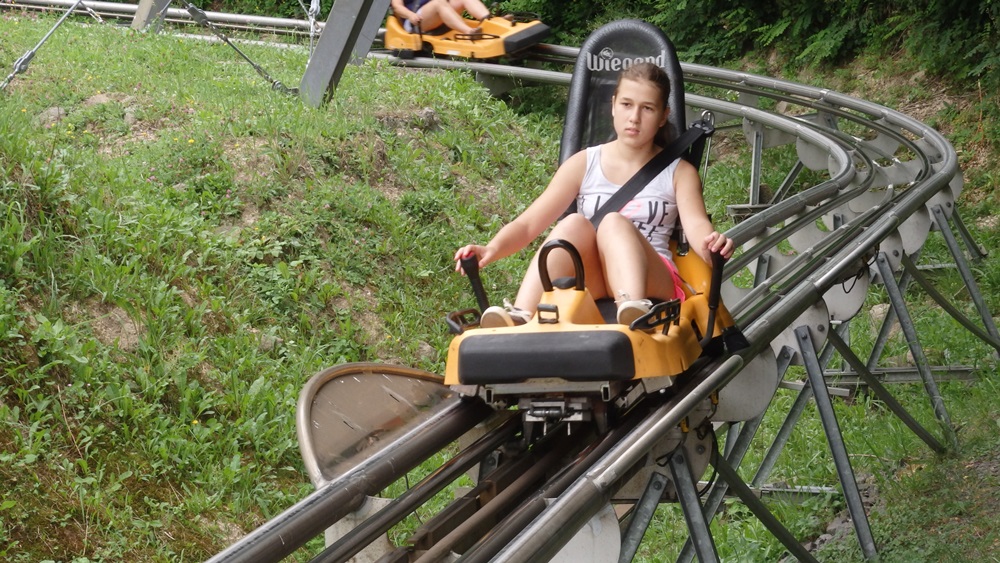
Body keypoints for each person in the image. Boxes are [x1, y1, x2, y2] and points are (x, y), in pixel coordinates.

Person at [454, 61, 735, 328]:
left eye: (647, 108)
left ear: (663, 116)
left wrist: (712, 247)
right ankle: (521, 314)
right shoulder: (583, 163)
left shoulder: (679, 172)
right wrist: (490, 249)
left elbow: (697, 226)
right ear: (613, 106)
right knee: (573, 224)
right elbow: (529, 224)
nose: (634, 118)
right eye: (626, 104)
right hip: (597, 275)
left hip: (654, 276)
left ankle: (633, 308)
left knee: (613, 222)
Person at [390, 0, 492, 36]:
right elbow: (397, 7)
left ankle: (489, 21)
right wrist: (410, 15)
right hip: (414, 21)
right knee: (439, 3)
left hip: (436, 15)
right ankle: (469, 32)